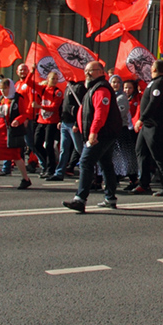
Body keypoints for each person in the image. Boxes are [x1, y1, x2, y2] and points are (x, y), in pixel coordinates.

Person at [63, 61, 124, 213]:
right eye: (86, 70)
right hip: (102, 133)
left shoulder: (101, 89)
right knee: (105, 164)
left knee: (85, 162)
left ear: (100, 71)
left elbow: (100, 113)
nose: (87, 73)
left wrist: (93, 132)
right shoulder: (93, 88)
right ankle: (110, 197)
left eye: (91, 71)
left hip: (101, 134)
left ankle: (80, 199)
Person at [134, 60, 163, 196]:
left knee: (159, 155)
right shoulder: (153, 82)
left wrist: (142, 118)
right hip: (147, 126)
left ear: (154, 68)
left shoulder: (160, 82)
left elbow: (154, 103)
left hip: (156, 125)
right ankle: (144, 183)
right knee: (141, 151)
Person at [50, 78, 85, 181]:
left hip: (73, 123)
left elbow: (80, 106)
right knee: (63, 149)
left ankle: (87, 172)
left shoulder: (80, 87)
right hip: (65, 122)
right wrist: (61, 119)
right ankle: (59, 172)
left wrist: (76, 123)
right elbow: (65, 105)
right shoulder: (68, 85)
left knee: (79, 149)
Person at [35, 71, 63, 179]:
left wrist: (40, 106)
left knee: (49, 145)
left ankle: (50, 168)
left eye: (56, 79)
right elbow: (30, 83)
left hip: (51, 121)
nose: (55, 81)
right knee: (36, 144)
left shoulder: (57, 92)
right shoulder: (43, 89)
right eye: (53, 79)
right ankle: (48, 162)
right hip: (41, 121)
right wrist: (32, 72)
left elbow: (54, 107)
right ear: (48, 79)